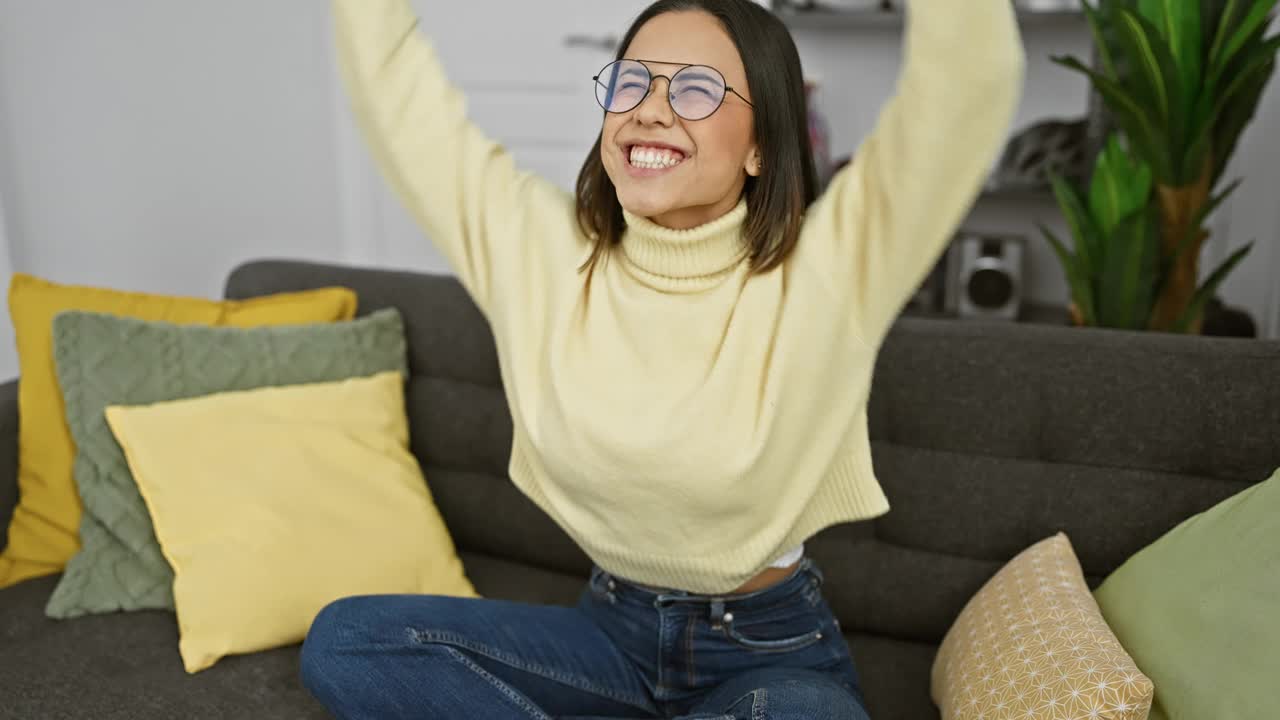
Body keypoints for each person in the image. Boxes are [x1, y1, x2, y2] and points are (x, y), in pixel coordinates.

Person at [302, 0, 1025, 717]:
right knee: (351, 641)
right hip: (606, 633)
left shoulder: (832, 271)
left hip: (767, 650)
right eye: (631, 82)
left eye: (697, 88)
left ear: (761, 145)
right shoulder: (536, 249)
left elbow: (966, 87)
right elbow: (399, 100)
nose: (649, 109)